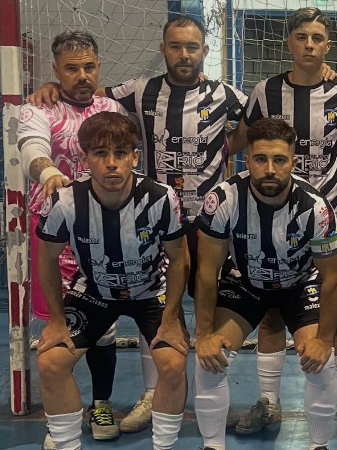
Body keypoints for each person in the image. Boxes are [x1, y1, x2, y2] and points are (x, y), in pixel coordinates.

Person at [27, 15, 251, 431]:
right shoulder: (139, 89)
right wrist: (54, 88)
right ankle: (150, 397)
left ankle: (211, 404)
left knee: (212, 315)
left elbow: (256, 122)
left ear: (204, 51)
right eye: (175, 46)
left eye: (192, 47)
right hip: (149, 215)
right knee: (149, 302)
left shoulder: (227, 93)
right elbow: (89, 93)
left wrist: (227, 145)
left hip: (209, 222)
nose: (183, 54)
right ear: (163, 49)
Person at [236, 7, 337, 432]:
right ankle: (269, 401)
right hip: (273, 221)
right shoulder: (265, 92)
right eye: (302, 37)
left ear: (328, 45)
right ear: (288, 42)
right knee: (272, 311)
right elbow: (243, 140)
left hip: (330, 221)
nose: (309, 45)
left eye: (317, 38)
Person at [35, 111, 189, 450]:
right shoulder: (64, 201)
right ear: (84, 157)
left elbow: (180, 259)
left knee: (173, 364)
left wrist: (172, 318)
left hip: (150, 291)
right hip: (93, 291)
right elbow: (46, 259)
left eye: (120, 153)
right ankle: (67, 443)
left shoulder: (162, 197)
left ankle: (164, 446)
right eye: (100, 153)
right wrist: (56, 321)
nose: (111, 164)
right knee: (50, 362)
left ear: (135, 157)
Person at [192, 117, 337, 450]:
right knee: (211, 358)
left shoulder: (316, 207)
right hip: (246, 281)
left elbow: (334, 276)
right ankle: (212, 445)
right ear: (246, 160)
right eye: (261, 159)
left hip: (300, 283)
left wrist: (324, 340)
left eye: (279, 160)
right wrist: (202, 335)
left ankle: (319, 445)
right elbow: (207, 270)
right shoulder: (223, 199)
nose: (270, 169)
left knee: (320, 363)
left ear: (294, 162)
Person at [17, 30, 127, 446]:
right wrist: (48, 172)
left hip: (103, 232)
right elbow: (31, 148)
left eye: (89, 67)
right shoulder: (38, 107)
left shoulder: (111, 108)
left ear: (98, 66)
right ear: (55, 70)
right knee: (56, 331)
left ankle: (101, 403)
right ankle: (59, 417)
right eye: (71, 68)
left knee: (103, 327)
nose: (82, 75)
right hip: (55, 236)